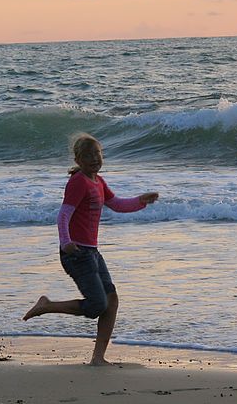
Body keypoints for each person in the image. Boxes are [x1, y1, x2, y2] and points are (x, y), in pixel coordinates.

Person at [22, 133, 159, 365]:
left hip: (92, 252)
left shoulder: (98, 181)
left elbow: (116, 204)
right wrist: (66, 242)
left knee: (111, 299)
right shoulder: (78, 182)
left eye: (98, 154)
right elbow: (63, 215)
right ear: (78, 159)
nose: (95, 159)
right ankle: (46, 306)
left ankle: (98, 358)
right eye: (89, 155)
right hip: (76, 253)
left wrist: (140, 201)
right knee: (97, 305)